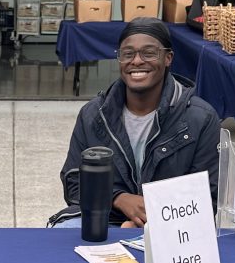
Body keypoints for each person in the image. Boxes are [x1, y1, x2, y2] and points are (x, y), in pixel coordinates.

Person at [57, 18, 221, 227]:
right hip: (109, 218)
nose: (136, 61)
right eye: (128, 54)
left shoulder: (200, 118)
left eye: (149, 53)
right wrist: (119, 198)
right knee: (63, 228)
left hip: (173, 226)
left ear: (168, 58)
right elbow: (74, 182)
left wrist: (148, 218)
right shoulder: (94, 114)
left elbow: (208, 196)